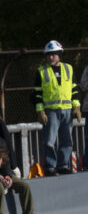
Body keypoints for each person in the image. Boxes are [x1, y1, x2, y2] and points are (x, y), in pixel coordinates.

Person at [33, 41, 82, 175]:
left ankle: (63, 165)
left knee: (67, 140)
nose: (50, 57)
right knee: (49, 141)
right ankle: (50, 167)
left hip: (67, 109)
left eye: (53, 54)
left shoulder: (69, 68)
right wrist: (40, 110)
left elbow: (74, 89)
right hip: (50, 111)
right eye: (48, 55)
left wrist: (76, 106)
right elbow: (37, 93)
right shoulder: (41, 71)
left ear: (59, 55)